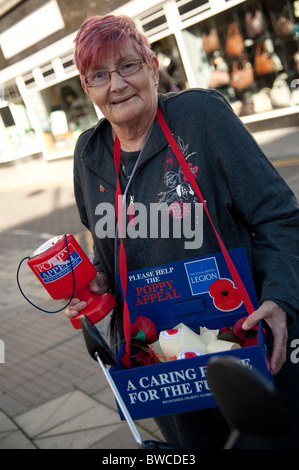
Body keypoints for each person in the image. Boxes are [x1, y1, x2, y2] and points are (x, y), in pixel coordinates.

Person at [65, 14, 299, 448]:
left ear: (153, 66)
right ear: (87, 88)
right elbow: (108, 255)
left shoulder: (202, 117)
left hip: (244, 343)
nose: (116, 85)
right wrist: (95, 283)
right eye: (99, 75)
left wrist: (282, 297)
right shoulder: (89, 154)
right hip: (157, 367)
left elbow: (278, 216)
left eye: (128, 66)